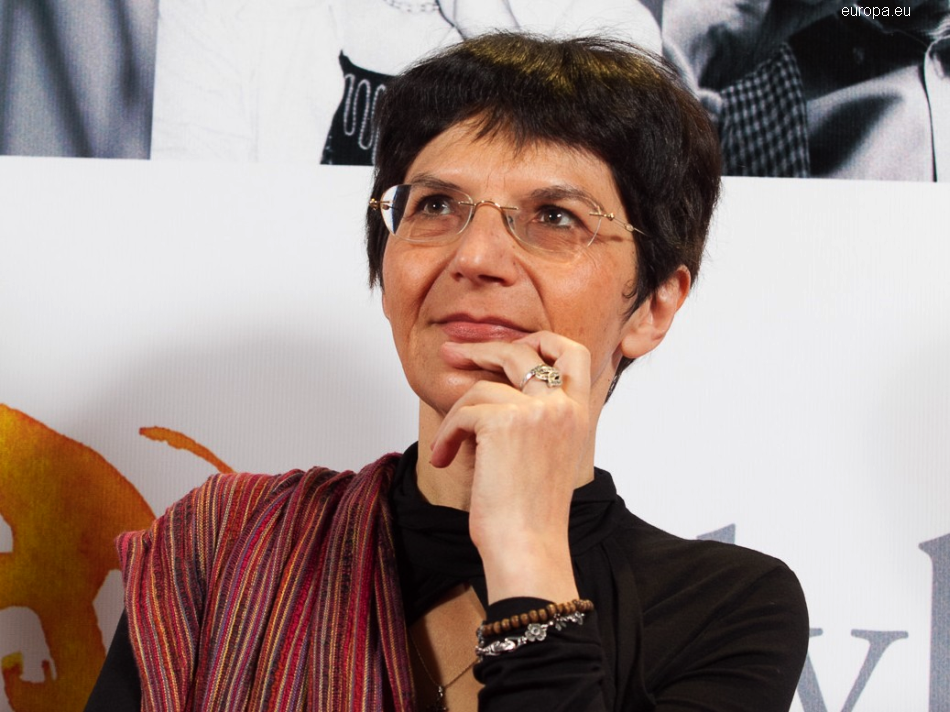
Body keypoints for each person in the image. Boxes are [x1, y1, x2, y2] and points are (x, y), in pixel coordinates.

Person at [85, 32, 809, 712]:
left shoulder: (727, 609)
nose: (476, 257)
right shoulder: (226, 547)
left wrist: (525, 549)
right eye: (435, 206)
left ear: (652, 305)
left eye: (556, 217)